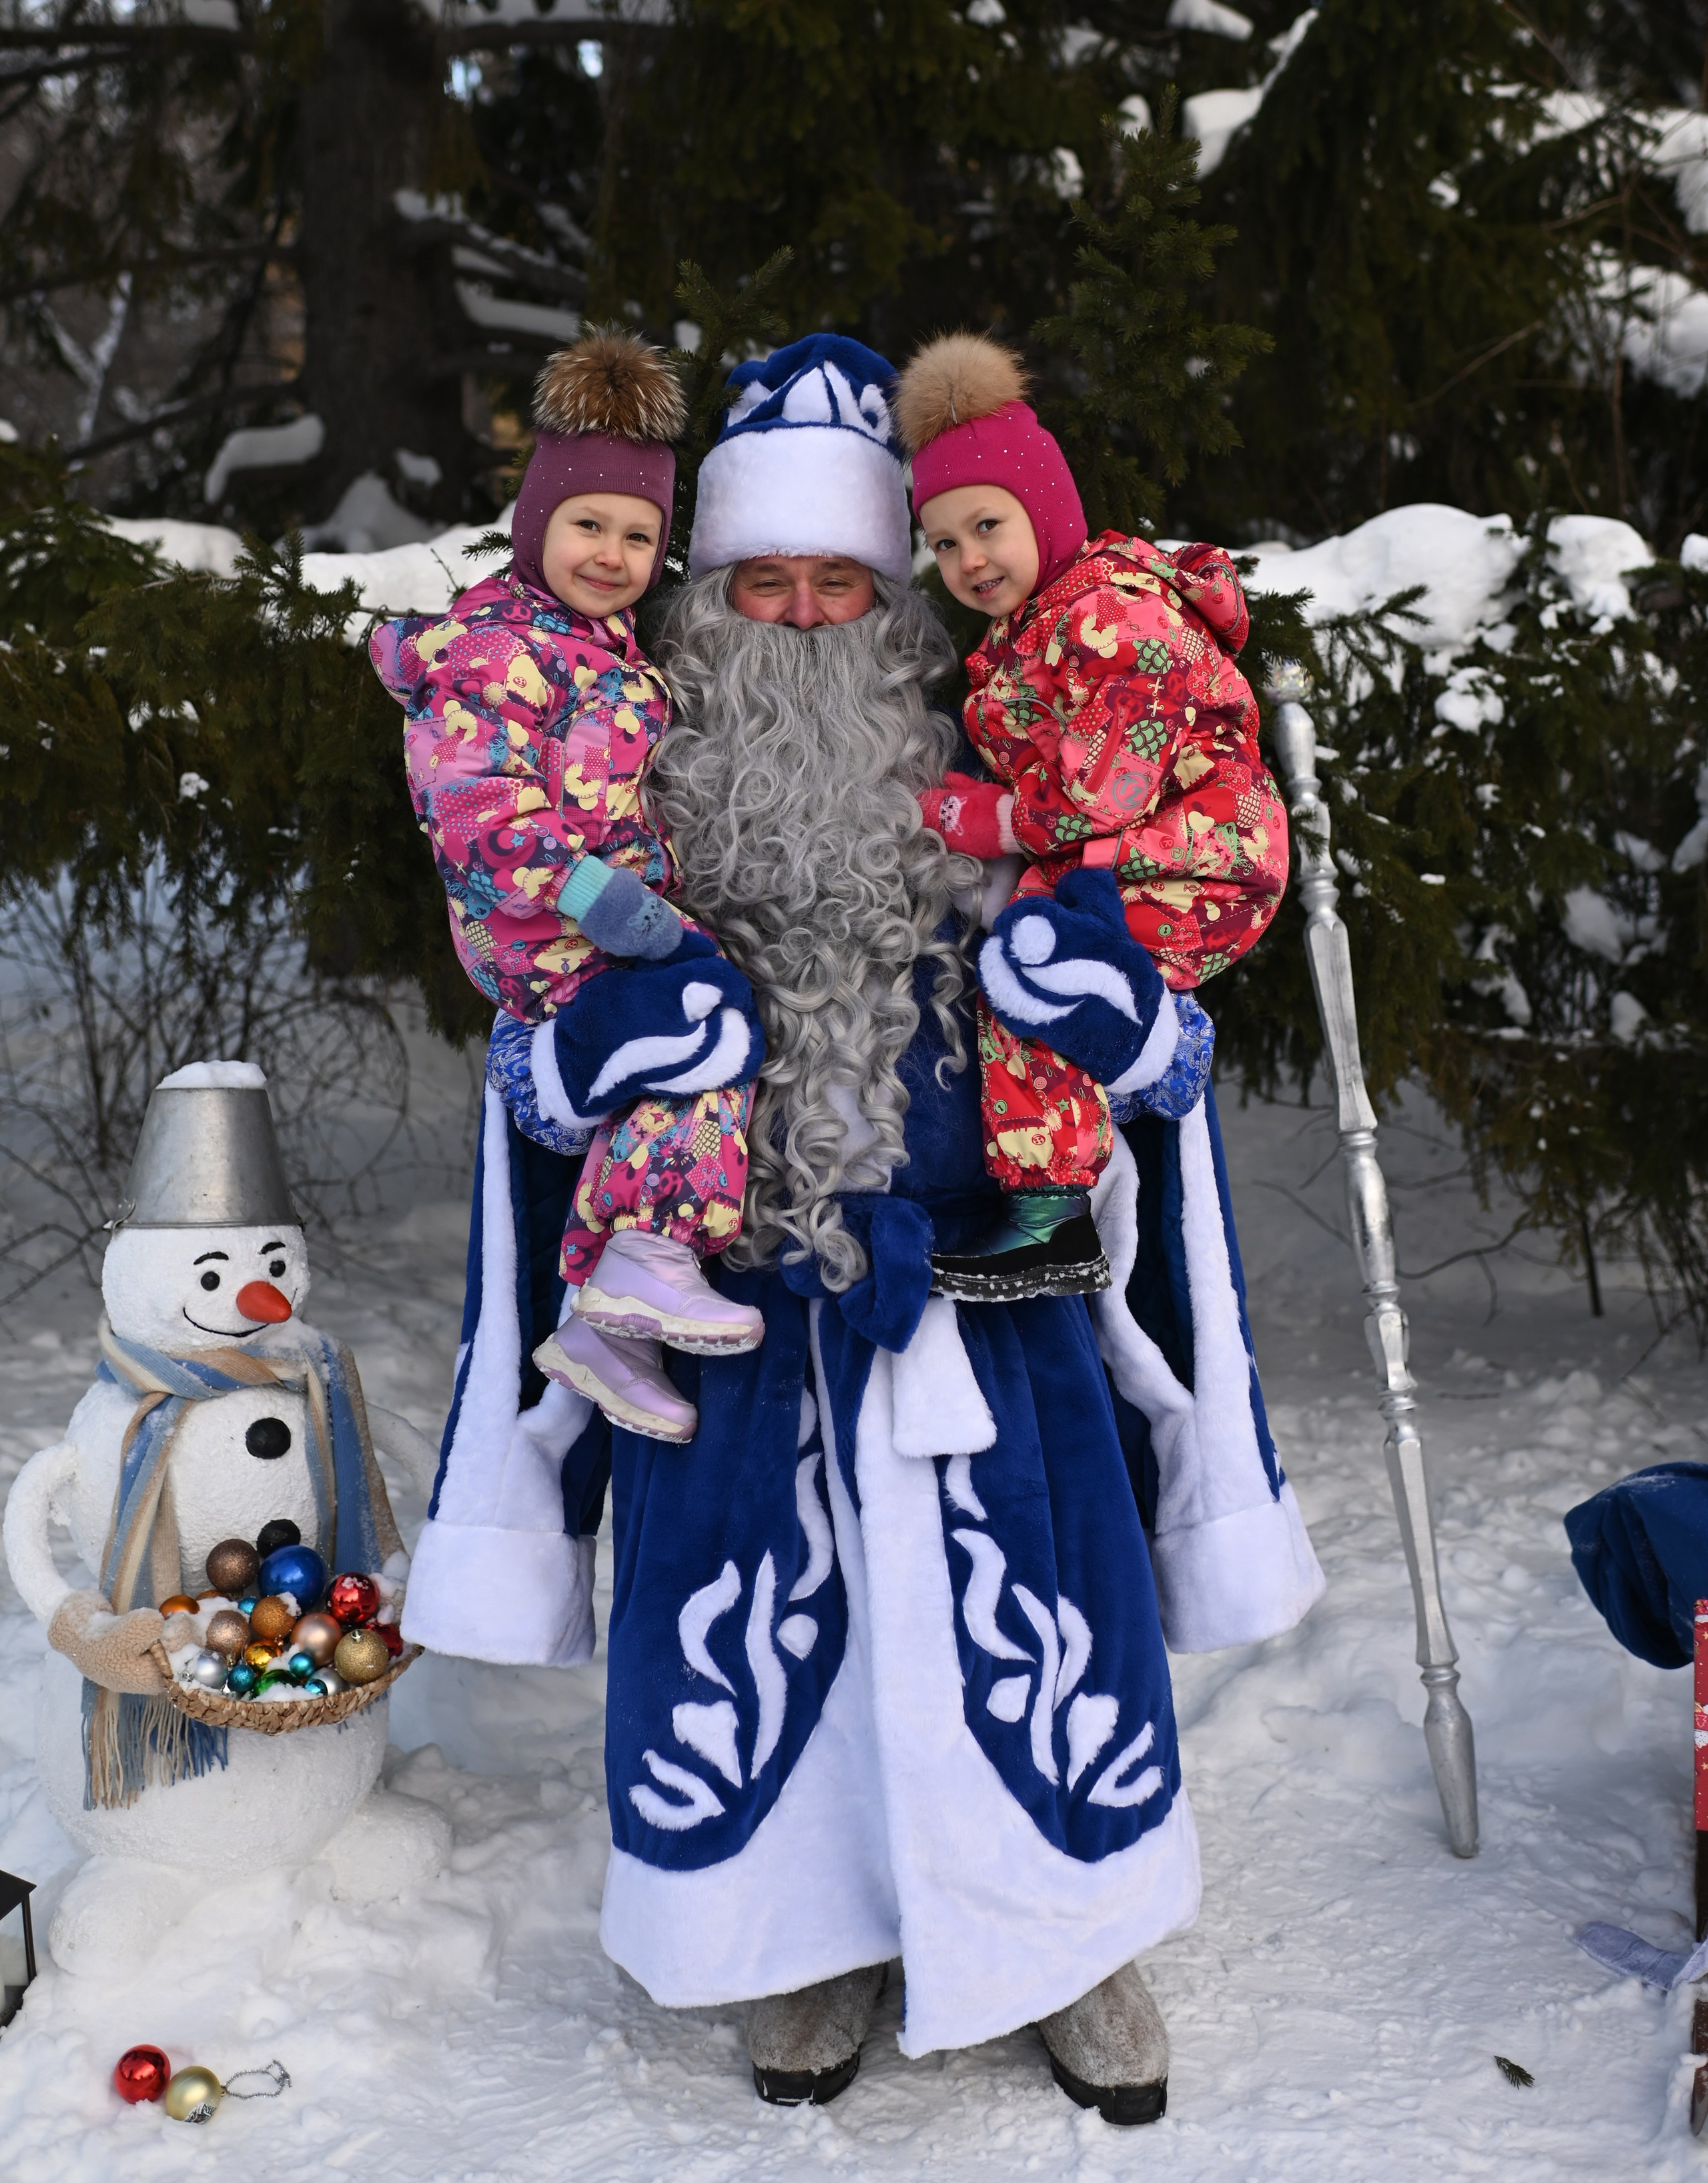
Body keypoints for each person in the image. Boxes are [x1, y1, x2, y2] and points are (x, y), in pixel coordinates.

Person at [400, 334, 1325, 2125]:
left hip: (996, 1307)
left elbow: (1160, 1046)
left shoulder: (1014, 764)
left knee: (1044, 1623)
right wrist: (605, 1046)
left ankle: (1068, 1934)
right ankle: (793, 1936)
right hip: (733, 1308)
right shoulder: (626, 791)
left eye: (846, 578)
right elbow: (528, 1069)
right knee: (751, 1637)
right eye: (768, 578)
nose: (811, 612)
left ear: (902, 600)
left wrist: (1117, 1008)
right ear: (711, 595)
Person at [370, 330, 768, 1448]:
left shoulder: (609, 650)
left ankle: (607, 1320)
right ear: (537, 522)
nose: (613, 552)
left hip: (601, 915)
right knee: (706, 1017)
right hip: (539, 926)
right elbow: (475, 812)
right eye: (589, 524)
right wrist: (604, 899)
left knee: (680, 1048)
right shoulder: (495, 650)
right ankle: (647, 1255)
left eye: (640, 534)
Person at [899, 332, 1288, 1304]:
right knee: (1028, 961)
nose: (968, 559)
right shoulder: (1037, 622)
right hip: (1133, 857)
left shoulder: (1113, 616)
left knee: (1041, 968)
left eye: (988, 526)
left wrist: (972, 818)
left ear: (1045, 510)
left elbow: (1097, 790)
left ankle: (1059, 1204)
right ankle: (1053, 1200)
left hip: (1205, 859)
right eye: (944, 543)